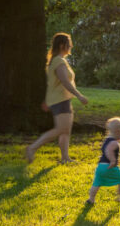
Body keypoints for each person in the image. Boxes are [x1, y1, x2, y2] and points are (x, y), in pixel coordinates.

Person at [25, 33, 89, 164]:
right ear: (62, 45)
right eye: (69, 43)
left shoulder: (59, 60)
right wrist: (79, 95)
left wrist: (47, 100)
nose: (71, 46)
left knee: (65, 131)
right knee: (61, 129)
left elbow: (53, 83)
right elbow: (65, 81)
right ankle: (32, 148)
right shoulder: (58, 61)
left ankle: (65, 158)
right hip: (60, 100)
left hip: (62, 99)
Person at [87, 117, 120, 204]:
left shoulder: (106, 140)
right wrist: (113, 160)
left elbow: (105, 150)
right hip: (109, 166)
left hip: (100, 166)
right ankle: (119, 196)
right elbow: (109, 150)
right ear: (118, 131)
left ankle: (91, 199)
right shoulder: (114, 142)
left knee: (97, 182)